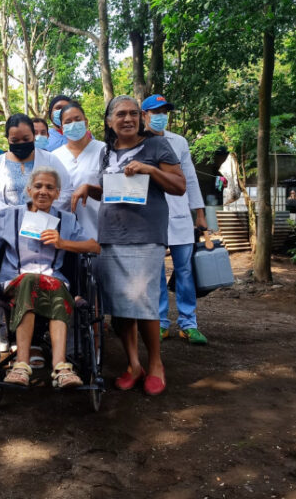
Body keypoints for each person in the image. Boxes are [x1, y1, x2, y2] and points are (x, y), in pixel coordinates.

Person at [72, 95, 185, 396]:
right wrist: (88, 188)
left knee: (143, 301)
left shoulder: (156, 146)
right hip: (110, 235)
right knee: (120, 305)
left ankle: (156, 364)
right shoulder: (107, 153)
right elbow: (109, 191)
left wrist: (151, 170)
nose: (128, 119)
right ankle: (133, 364)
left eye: (133, 113)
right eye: (120, 114)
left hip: (145, 235)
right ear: (109, 121)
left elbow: (179, 185)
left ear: (141, 118)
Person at [0, 167, 101, 388]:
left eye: (49, 187)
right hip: (15, 282)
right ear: (29, 190)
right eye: (38, 186)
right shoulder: (10, 215)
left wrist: (62, 243)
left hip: (52, 283)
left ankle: (61, 367)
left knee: (54, 284)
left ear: (58, 193)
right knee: (30, 280)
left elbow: (94, 247)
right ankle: (21, 364)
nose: (43, 192)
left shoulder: (66, 220)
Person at [140, 94, 208, 345]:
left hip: (179, 216)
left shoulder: (178, 142)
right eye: (155, 112)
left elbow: (189, 179)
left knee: (185, 271)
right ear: (144, 115)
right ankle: (160, 322)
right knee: (155, 273)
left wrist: (199, 213)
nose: (160, 117)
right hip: (150, 217)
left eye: (164, 112)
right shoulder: (137, 142)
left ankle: (188, 323)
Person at [0, 113, 73, 223]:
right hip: (6, 225)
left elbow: (67, 191)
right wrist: (9, 214)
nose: (21, 143)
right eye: (15, 140)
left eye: (26, 139)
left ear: (33, 136)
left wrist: (43, 210)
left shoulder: (50, 160)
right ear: (7, 139)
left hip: (43, 225)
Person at [53, 101, 105, 240]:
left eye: (78, 119)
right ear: (62, 128)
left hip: (100, 228)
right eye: (68, 122)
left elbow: (112, 188)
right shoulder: (55, 157)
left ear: (86, 122)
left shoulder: (104, 150)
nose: (74, 124)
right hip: (64, 232)